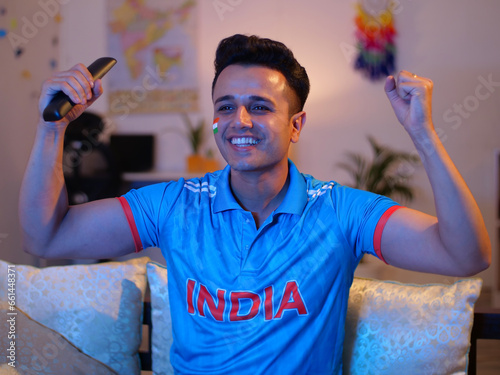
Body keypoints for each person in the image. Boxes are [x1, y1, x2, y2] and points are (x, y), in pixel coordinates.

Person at [20, 34, 491, 373]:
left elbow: (465, 255)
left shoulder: (342, 211)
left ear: (296, 124)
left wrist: (423, 135)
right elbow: (46, 235)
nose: (239, 120)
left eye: (260, 106)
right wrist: (52, 128)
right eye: (225, 106)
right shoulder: (171, 205)